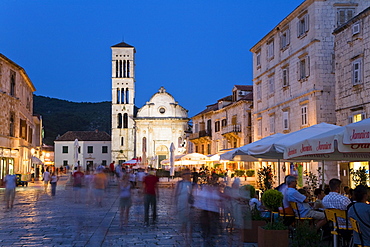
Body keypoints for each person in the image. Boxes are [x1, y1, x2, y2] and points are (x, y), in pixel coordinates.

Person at [174, 169, 193, 245]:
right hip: (181, 203)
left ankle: (188, 236)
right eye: (186, 174)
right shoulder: (179, 183)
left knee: (189, 220)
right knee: (183, 219)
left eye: (189, 173)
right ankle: (184, 233)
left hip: (189, 204)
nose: (188, 175)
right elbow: (176, 193)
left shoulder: (192, 184)